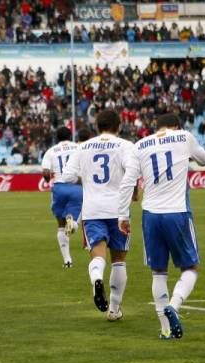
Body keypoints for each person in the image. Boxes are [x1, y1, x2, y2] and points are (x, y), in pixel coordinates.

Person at [118, 113, 205, 339]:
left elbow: (128, 181)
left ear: (155, 127)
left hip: (150, 215)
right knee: (191, 267)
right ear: (176, 126)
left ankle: (166, 330)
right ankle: (174, 305)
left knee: (158, 272)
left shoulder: (140, 145)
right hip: (177, 212)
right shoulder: (184, 137)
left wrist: (123, 216)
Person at [61, 110, 134, 321]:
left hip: (92, 210)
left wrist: (86, 176)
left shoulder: (83, 147)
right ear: (118, 126)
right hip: (118, 210)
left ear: (96, 126)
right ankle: (114, 309)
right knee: (119, 260)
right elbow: (132, 171)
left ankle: (96, 278)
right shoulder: (125, 146)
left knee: (98, 253)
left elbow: (67, 176)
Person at [41, 127, 82, 268]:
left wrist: (47, 180)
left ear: (57, 137)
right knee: (80, 216)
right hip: (76, 186)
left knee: (60, 226)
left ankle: (67, 260)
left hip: (59, 188)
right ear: (70, 136)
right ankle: (74, 224)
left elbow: (46, 172)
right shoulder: (78, 147)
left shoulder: (51, 151)